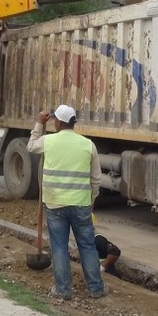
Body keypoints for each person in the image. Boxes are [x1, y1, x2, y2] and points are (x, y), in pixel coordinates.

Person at [27, 104, 106, 300]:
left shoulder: (48, 141)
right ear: (73, 123)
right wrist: (91, 200)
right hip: (81, 205)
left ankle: (63, 289)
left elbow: (31, 146)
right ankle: (96, 289)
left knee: (59, 247)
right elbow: (96, 179)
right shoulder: (88, 145)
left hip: (55, 205)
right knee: (87, 246)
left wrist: (39, 123)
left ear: (58, 123)